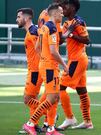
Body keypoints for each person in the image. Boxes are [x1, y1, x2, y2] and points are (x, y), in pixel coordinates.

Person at [22, 3, 68, 135]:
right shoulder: (52, 28)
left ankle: (50, 128)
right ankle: (30, 123)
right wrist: (64, 65)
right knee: (52, 98)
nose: (62, 14)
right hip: (50, 67)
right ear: (54, 14)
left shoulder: (43, 28)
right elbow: (53, 51)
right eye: (60, 12)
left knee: (54, 97)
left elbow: (37, 48)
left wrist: (43, 58)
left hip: (45, 65)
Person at [57, 0, 93, 130]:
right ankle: (87, 121)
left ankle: (69, 118)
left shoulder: (78, 22)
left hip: (77, 60)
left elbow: (87, 40)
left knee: (60, 87)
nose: (63, 8)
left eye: (65, 6)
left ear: (72, 7)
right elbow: (61, 40)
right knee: (81, 90)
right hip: (77, 59)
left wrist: (71, 34)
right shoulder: (67, 22)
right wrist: (68, 33)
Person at [16, 8, 43, 133]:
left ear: (26, 18)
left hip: (35, 71)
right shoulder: (32, 30)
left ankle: (48, 113)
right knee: (34, 98)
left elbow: (40, 49)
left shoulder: (32, 32)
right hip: (35, 70)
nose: (17, 19)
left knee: (27, 99)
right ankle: (34, 124)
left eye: (19, 17)